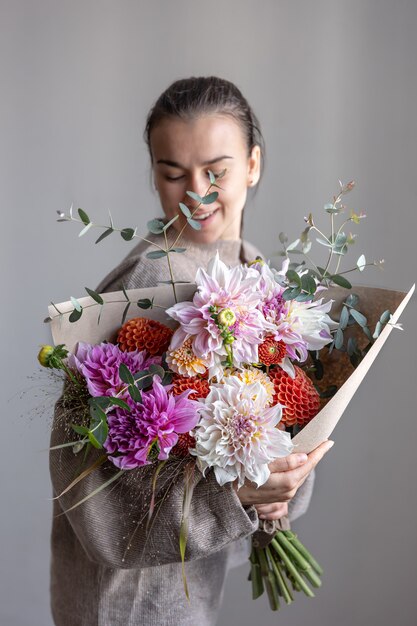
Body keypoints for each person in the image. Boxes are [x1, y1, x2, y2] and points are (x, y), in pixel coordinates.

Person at [49, 76, 333, 626]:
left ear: (252, 165)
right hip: (125, 600)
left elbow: (278, 422)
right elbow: (84, 480)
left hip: (189, 585)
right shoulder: (145, 285)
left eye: (216, 172)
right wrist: (238, 498)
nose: (196, 195)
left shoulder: (253, 271)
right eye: (172, 174)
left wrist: (281, 486)